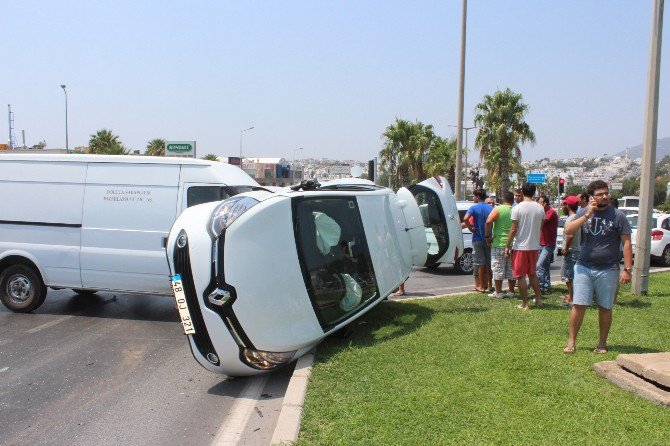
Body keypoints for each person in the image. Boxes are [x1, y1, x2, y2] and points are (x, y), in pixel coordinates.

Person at [563, 180, 632, 354]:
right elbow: (568, 230)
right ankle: (571, 342)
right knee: (578, 305)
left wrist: (627, 269)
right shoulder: (584, 211)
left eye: (606, 193)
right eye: (600, 194)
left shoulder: (618, 216)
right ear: (592, 197)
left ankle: (602, 343)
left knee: (605, 306)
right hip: (584, 267)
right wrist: (588, 214)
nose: (605, 196)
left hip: (608, 268)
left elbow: (626, 243)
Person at [505, 182, 545, 310]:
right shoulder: (540, 208)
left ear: (522, 192)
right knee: (533, 274)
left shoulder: (517, 208)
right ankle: (539, 299)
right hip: (534, 246)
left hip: (521, 246)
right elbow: (541, 225)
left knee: (520, 276)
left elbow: (513, 229)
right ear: (534, 192)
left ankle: (525, 303)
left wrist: (507, 245)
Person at [485, 191, 516, 298]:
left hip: (499, 243)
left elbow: (489, 221)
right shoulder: (515, 210)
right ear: (513, 200)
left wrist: (487, 236)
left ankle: (498, 292)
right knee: (512, 269)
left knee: (498, 268)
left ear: (503, 199)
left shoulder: (498, 209)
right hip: (513, 243)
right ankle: (511, 291)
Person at [464, 189, 493, 293]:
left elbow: (465, 218)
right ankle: (490, 285)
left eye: (473, 196)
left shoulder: (474, 208)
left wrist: (470, 228)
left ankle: (481, 286)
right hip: (488, 238)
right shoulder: (491, 208)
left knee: (480, 263)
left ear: (477, 197)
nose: (473, 198)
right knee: (489, 262)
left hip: (477, 238)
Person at [560, 196, 581, 306]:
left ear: (568, 205)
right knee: (571, 276)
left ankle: (571, 299)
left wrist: (566, 249)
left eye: (564, 204)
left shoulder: (570, 219)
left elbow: (570, 235)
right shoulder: (578, 217)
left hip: (571, 251)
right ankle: (570, 296)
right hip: (576, 250)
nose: (562, 206)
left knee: (569, 277)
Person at [536, 195, 559, 294]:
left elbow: (542, 221)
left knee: (539, 265)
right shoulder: (544, 212)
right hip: (541, 243)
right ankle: (546, 285)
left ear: (544, 203)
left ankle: (541, 287)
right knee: (544, 266)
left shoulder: (551, 212)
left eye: (539, 203)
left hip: (548, 244)